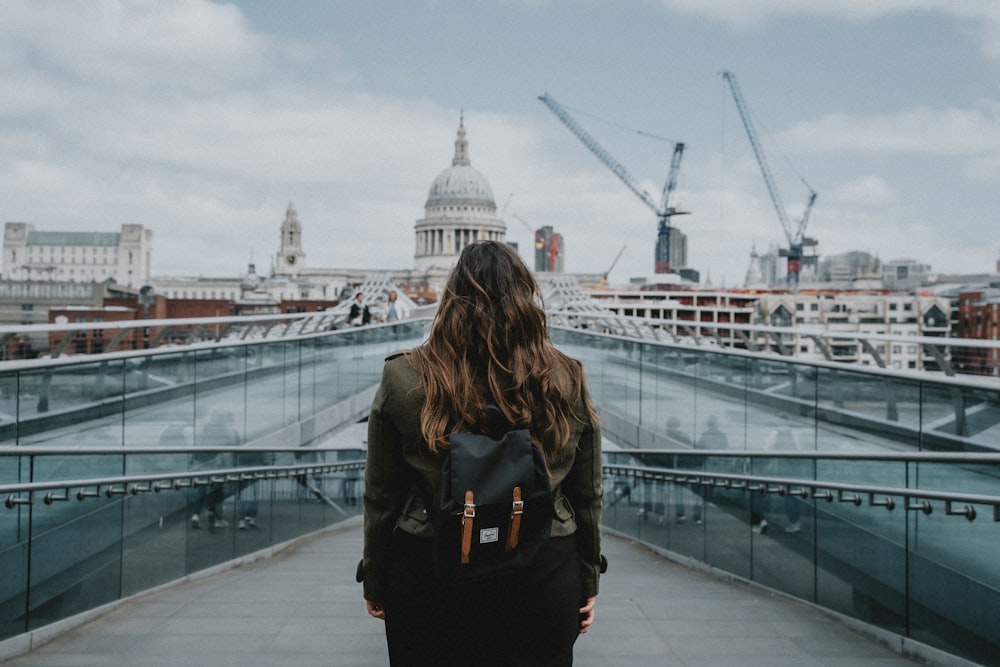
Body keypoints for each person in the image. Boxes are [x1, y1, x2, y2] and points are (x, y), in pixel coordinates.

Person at [360, 241, 604, 667]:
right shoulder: (567, 376)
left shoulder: (403, 376)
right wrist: (586, 581)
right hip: (545, 569)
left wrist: (377, 578)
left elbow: (382, 495)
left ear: (450, 299)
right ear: (526, 298)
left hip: (429, 568)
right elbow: (586, 495)